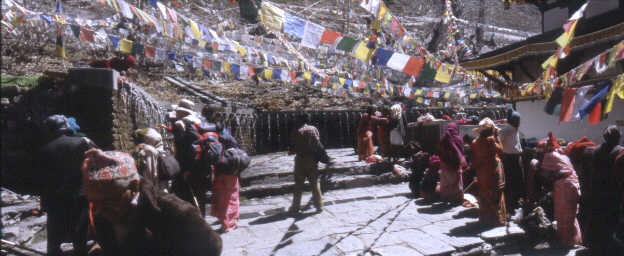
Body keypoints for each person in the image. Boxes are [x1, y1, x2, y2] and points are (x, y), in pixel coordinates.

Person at [81, 148, 222, 256]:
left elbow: (212, 246)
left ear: (134, 186)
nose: (100, 209)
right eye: (93, 202)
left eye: (109, 201)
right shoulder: (100, 212)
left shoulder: (175, 212)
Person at [37, 115, 96, 256]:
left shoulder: (44, 150)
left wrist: (44, 201)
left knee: (54, 234)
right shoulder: (82, 142)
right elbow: (96, 164)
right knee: (79, 232)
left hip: (55, 197)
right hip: (79, 195)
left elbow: (41, 179)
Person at [531, 132, 583, 247]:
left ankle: (567, 241)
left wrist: (535, 164)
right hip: (572, 183)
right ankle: (574, 239)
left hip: (565, 186)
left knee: (564, 213)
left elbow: (542, 173)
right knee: (571, 213)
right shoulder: (561, 154)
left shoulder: (550, 156)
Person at [586, 125, 622, 254]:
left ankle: (597, 246)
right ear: (618, 137)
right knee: (612, 221)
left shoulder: (595, 151)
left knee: (599, 219)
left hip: (598, 190)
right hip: (613, 191)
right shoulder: (620, 151)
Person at [288, 113, 333, 214]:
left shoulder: (295, 131)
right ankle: (319, 206)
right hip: (312, 160)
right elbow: (318, 144)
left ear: (299, 120)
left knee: (298, 184)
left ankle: (295, 207)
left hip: (300, 160)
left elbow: (291, 149)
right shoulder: (313, 129)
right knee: (315, 184)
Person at [471, 118, 506, 226]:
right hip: (492, 170)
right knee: (495, 193)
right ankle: (496, 219)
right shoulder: (491, 140)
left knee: (484, 194)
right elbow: (501, 150)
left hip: (481, 172)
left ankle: (485, 218)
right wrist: (497, 137)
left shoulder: (475, 142)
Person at [133, 128, 177, 192]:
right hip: (165, 188)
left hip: (155, 190)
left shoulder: (148, 151)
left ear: (147, 139)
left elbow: (149, 176)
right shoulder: (162, 150)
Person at [499, 111, 524, 211]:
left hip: (516, 158)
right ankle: (509, 204)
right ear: (512, 120)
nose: (518, 122)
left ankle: (515, 202)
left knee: (517, 181)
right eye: (517, 120)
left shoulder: (514, 129)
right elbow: (499, 143)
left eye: (518, 120)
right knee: (510, 181)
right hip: (508, 159)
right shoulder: (505, 130)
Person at [436, 123, 466, 204]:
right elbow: (461, 152)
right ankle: (456, 200)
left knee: (445, 184)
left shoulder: (443, 139)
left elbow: (439, 152)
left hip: (444, 166)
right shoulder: (458, 139)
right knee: (456, 184)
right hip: (454, 166)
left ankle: (445, 198)